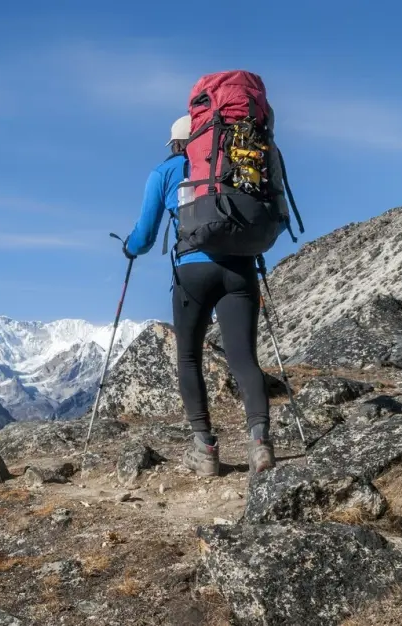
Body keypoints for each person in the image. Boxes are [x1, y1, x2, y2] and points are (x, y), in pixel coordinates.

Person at [122, 114, 274, 476]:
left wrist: (129, 248)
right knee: (244, 359)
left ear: (177, 142)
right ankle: (260, 444)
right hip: (240, 268)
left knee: (189, 358)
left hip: (193, 271)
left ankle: (205, 449)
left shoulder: (166, 172)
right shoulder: (238, 159)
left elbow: (144, 236)